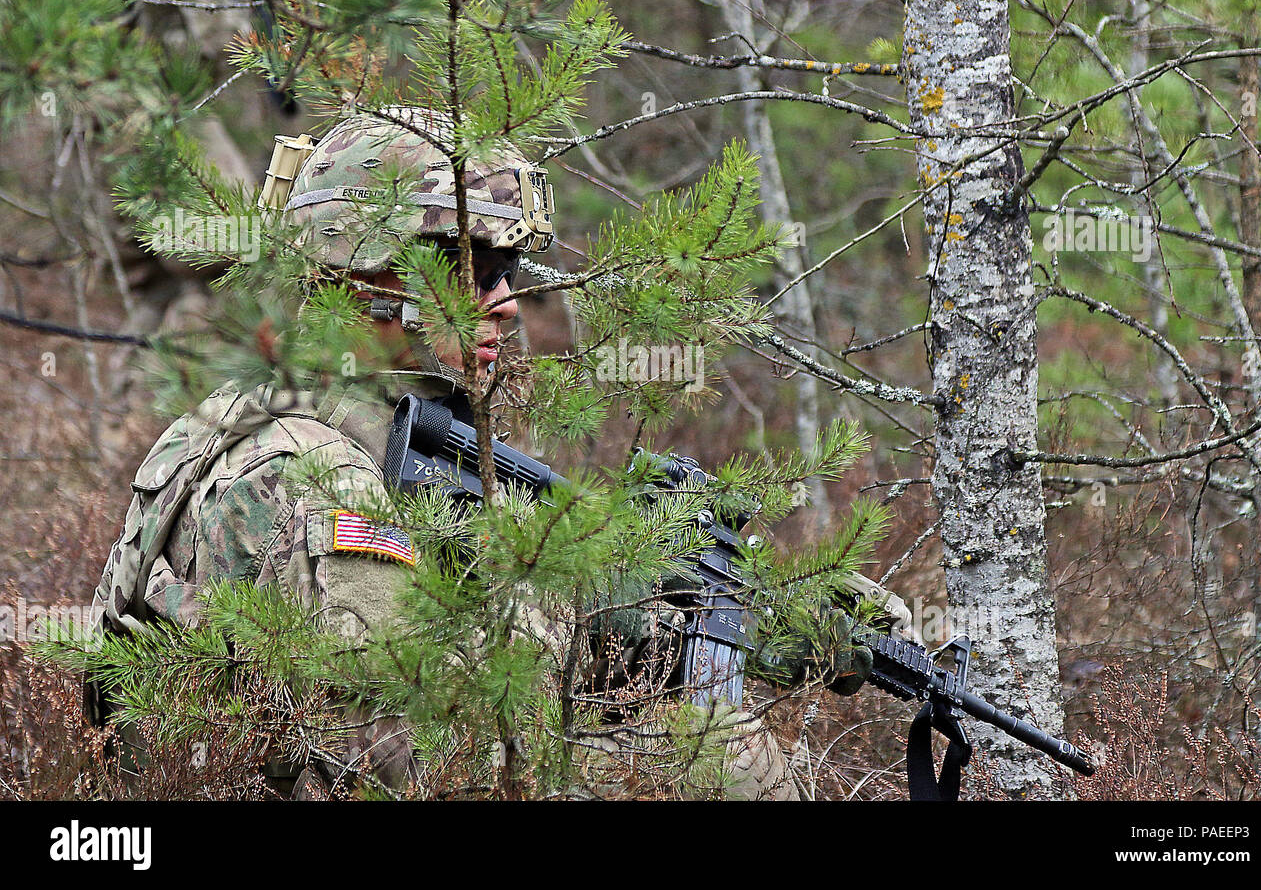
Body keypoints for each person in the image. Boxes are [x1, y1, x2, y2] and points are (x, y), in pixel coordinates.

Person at [88, 106, 916, 799]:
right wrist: (682, 758)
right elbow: (414, 765)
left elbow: (484, 636)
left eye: (510, 269)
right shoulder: (323, 480)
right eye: (474, 270)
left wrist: (734, 620)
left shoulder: (316, 420)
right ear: (366, 277)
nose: (508, 305)